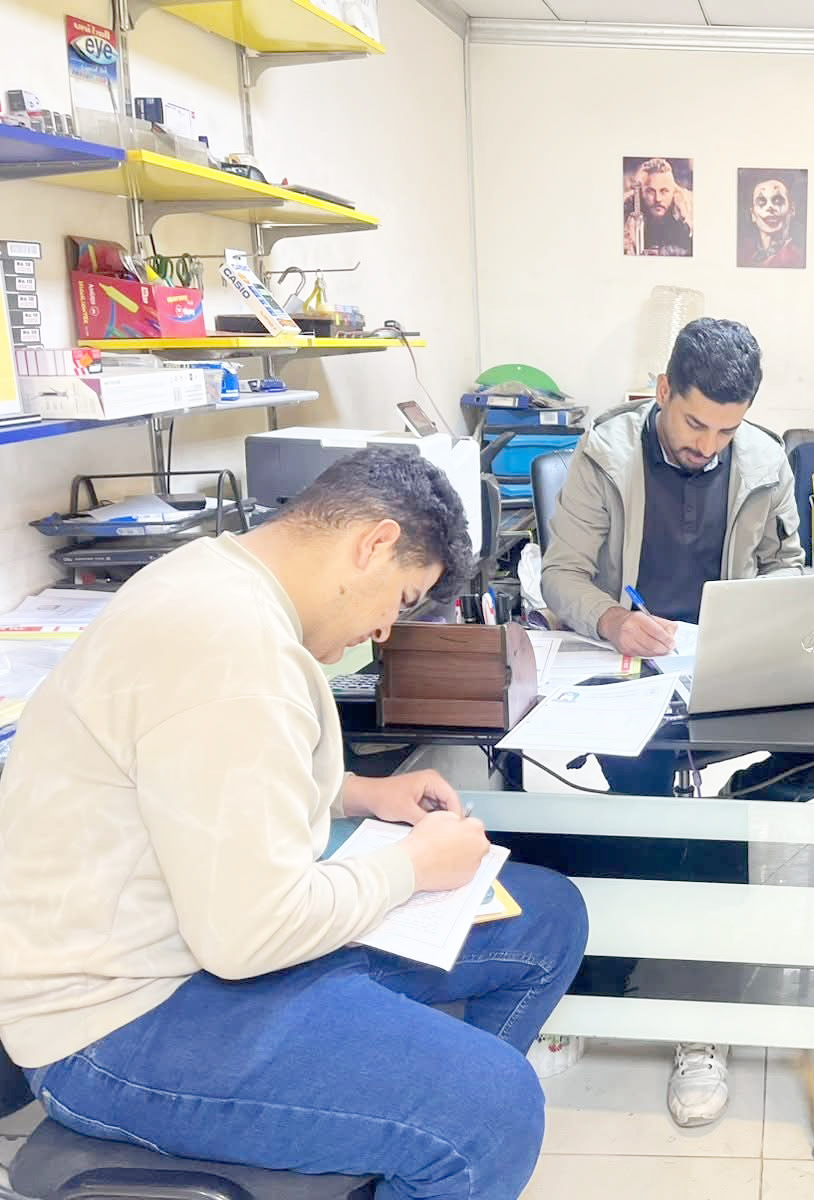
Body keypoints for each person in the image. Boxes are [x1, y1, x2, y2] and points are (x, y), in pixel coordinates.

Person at [0, 449, 589, 1197]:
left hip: (195, 949)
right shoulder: (232, 650)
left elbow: (205, 776)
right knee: (493, 1110)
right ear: (373, 544)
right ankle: (427, 1128)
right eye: (401, 599)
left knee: (546, 918)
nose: (385, 630)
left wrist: (358, 794)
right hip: (118, 1020)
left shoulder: (217, 574)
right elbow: (251, 935)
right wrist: (411, 867)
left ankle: (390, 1131)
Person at [541, 316, 804, 1127]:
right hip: (622, 666)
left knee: (723, 828)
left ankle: (702, 1021)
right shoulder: (604, 454)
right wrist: (612, 619)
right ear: (662, 391)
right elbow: (561, 576)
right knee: (623, 818)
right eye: (694, 424)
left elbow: (787, 567)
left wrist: (752, 619)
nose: (706, 445)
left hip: (718, 671)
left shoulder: (765, 463)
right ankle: (589, 991)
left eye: (726, 430)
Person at [623, 156, 693, 257]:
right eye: (650, 191)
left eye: (664, 191)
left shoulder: (689, 212)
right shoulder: (625, 210)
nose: (658, 199)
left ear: (674, 191)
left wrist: (663, 253)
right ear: (640, 192)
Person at [738, 173, 804, 268]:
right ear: (753, 214)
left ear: (792, 209)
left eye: (778, 201)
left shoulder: (799, 257)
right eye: (761, 202)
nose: (770, 207)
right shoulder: (743, 253)